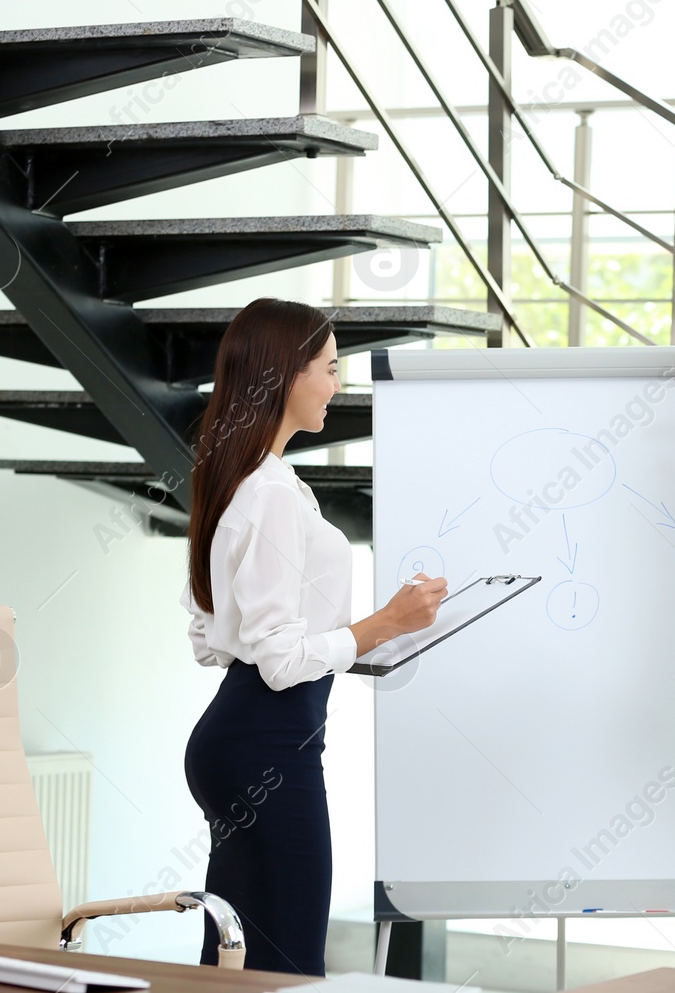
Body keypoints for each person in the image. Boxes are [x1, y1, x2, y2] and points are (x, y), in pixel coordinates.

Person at [179, 298, 447, 974]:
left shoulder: (245, 477)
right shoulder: (266, 490)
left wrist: (372, 634)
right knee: (287, 960)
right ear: (289, 374)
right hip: (268, 745)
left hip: (244, 740)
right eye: (330, 368)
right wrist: (385, 621)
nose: (337, 384)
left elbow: (210, 636)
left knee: (240, 956)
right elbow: (277, 660)